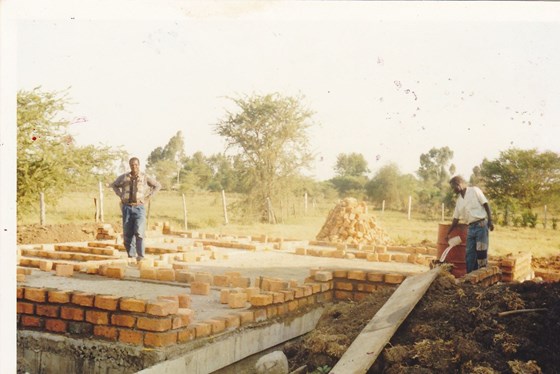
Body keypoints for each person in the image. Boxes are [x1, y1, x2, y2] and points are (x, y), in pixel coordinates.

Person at [111, 157, 161, 263]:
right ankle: (131, 256)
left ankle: (141, 256)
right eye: (132, 165)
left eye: (136, 164)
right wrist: (120, 194)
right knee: (128, 233)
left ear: (139, 165)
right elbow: (114, 185)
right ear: (130, 165)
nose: (134, 166)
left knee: (139, 231)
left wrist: (147, 198)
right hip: (127, 207)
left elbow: (157, 185)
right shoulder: (124, 177)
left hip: (139, 207)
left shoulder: (144, 177)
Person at [446, 175, 494, 273]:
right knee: (469, 254)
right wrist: (448, 233)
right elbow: (455, 219)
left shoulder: (474, 191)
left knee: (481, 252)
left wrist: (490, 220)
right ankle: (470, 277)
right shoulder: (459, 201)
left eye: (453, 187)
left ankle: (482, 275)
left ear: (458, 184)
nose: (453, 190)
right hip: (471, 228)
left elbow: (486, 204)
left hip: (481, 225)